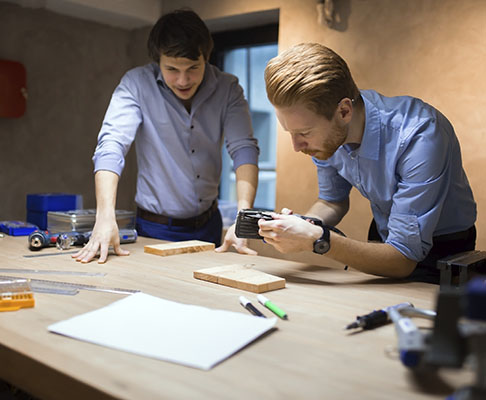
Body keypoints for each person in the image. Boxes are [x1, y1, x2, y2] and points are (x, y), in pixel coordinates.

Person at [259, 42, 477, 282]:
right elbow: (332, 202)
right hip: (387, 238)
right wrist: (298, 225)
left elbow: (403, 257)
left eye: (305, 133)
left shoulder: (420, 135)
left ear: (344, 111)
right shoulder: (328, 139)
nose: (296, 146)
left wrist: (316, 238)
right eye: (290, 133)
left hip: (446, 248)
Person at [74, 9, 259, 263]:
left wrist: (243, 216)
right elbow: (112, 145)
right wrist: (105, 216)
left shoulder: (228, 88)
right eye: (172, 69)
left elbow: (244, 148)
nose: (183, 80)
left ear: (206, 57)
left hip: (209, 225)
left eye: (193, 68)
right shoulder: (136, 84)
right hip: (155, 227)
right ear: (157, 60)